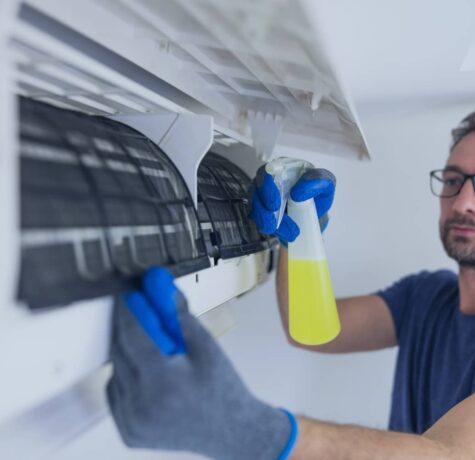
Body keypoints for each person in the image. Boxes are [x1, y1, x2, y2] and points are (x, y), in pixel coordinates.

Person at [106, 114, 475, 459]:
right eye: (454, 180)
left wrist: (254, 431)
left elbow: (451, 454)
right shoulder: (428, 297)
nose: (463, 202)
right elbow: (314, 333)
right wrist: (299, 233)